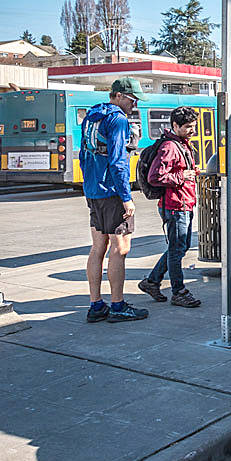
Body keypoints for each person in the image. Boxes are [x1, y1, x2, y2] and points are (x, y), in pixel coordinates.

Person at [80, 77, 149, 323]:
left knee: (98, 247)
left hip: (93, 191)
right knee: (121, 248)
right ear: (118, 96)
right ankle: (118, 305)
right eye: (132, 100)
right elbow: (118, 161)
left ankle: (96, 304)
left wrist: (89, 186)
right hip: (111, 192)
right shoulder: (118, 119)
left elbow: (83, 154)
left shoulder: (92, 116)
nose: (134, 105)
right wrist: (126, 197)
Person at [137, 106, 202, 308]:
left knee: (179, 248)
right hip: (175, 205)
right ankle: (178, 291)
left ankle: (152, 281)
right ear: (175, 125)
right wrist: (183, 176)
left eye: (194, 126)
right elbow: (155, 176)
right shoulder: (170, 147)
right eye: (188, 127)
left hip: (183, 202)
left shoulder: (181, 144)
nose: (193, 130)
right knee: (177, 250)